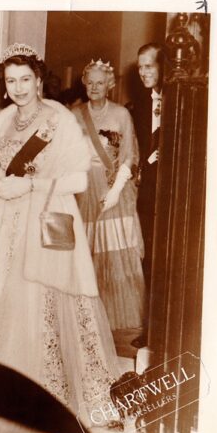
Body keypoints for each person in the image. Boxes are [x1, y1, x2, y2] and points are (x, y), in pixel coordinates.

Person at [0, 43, 120, 426]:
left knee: (44, 304)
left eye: (25, 80)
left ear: (38, 81)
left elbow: (79, 178)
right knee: (3, 301)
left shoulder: (59, 119)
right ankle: (0, 398)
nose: (18, 88)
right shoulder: (1, 120)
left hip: (44, 221)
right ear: (3, 85)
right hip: (5, 225)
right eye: (10, 81)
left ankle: (54, 401)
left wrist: (29, 187)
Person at [71, 59, 145, 331]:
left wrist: (114, 192)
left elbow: (131, 154)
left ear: (110, 85)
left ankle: (117, 322)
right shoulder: (74, 114)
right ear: (84, 83)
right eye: (90, 82)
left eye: (100, 83)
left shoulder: (121, 115)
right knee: (88, 252)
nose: (94, 87)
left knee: (114, 251)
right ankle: (90, 319)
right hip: (83, 189)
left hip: (114, 188)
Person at [130, 43, 165, 348]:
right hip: (148, 193)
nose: (143, 72)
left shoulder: (183, 100)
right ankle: (151, 330)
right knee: (150, 260)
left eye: (149, 65)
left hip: (172, 191)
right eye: (141, 66)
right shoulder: (140, 104)